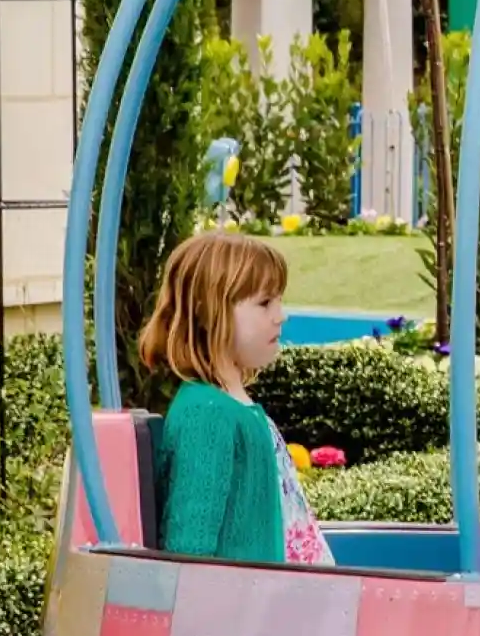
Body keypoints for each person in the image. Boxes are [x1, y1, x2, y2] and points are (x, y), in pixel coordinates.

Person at [138, 231, 334, 567]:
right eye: (264, 303)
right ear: (207, 311)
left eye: (279, 300)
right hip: (248, 613)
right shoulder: (207, 414)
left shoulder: (232, 406)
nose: (281, 314)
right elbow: (191, 552)